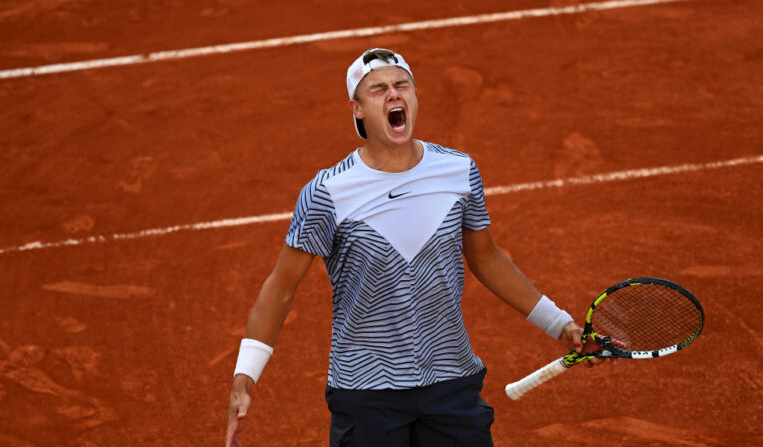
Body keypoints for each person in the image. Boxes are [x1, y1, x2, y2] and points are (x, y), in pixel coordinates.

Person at [225, 48, 613, 447]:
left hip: (450, 379)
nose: (393, 95)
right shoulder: (327, 193)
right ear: (357, 109)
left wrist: (560, 324)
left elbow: (487, 257)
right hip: (367, 389)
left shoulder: (458, 171)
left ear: (414, 97)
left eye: (401, 85)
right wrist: (244, 378)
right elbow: (281, 286)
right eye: (377, 89)